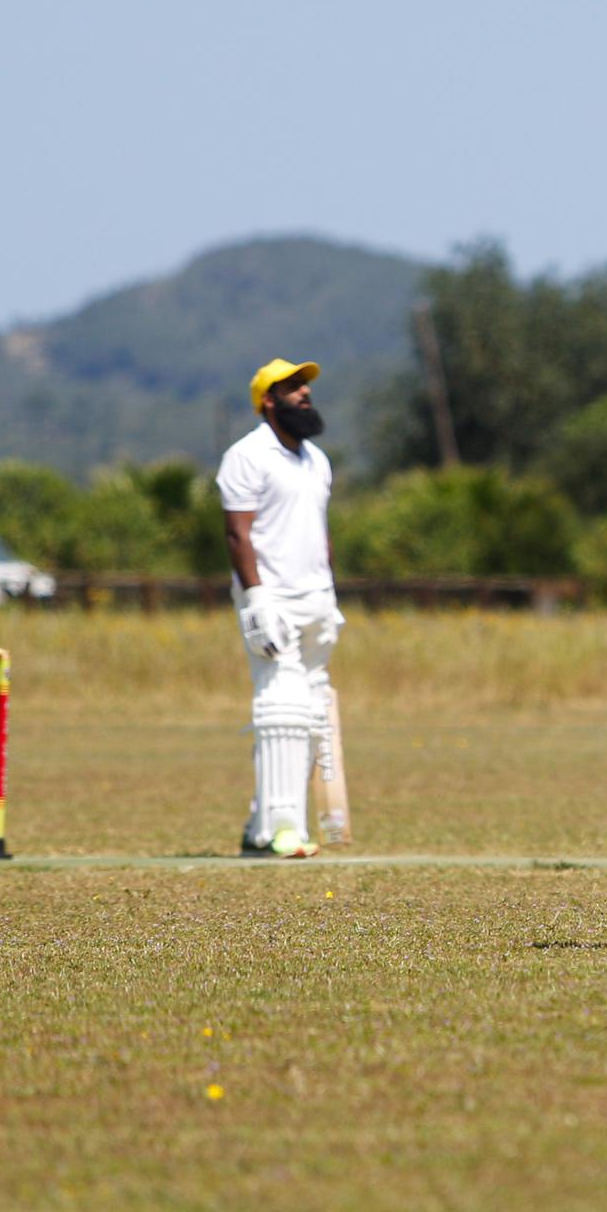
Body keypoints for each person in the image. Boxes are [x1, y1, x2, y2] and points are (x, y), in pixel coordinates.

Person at [216, 358, 346, 859]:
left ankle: (259, 825)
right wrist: (255, 596)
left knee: (309, 714)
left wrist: (329, 589)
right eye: (290, 387)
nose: (303, 393)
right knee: (280, 709)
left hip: (315, 597)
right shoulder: (246, 455)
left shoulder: (316, 459)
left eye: (305, 385)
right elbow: (237, 531)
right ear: (267, 401)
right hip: (273, 597)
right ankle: (282, 830)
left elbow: (317, 530)